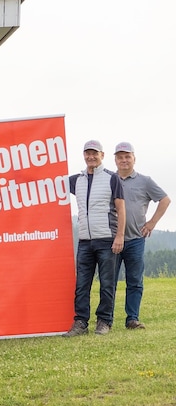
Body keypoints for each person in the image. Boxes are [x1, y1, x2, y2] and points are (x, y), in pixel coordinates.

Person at [64, 140, 126, 336]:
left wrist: (120, 236)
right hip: (84, 241)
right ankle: (80, 322)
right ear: (83, 155)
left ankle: (104, 321)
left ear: (102, 155)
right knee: (82, 283)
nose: (91, 157)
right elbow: (51, 182)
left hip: (107, 239)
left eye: (95, 153)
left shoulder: (112, 178)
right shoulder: (77, 180)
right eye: (87, 153)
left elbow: (121, 209)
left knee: (107, 283)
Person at [113, 142, 170, 329]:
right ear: (115, 159)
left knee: (134, 281)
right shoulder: (109, 179)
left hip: (136, 239)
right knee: (109, 281)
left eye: (127, 156)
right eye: (120, 157)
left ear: (134, 159)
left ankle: (132, 319)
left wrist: (152, 222)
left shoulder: (145, 181)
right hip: (112, 239)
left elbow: (165, 199)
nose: (124, 160)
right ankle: (106, 320)